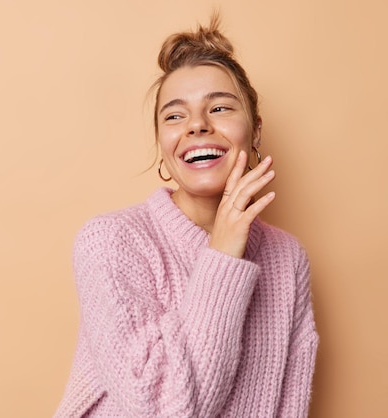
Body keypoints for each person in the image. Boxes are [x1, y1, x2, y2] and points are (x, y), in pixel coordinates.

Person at [54, 13, 318, 418]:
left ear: (256, 130)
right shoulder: (109, 242)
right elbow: (159, 409)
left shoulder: (287, 258)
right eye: (174, 116)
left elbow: (289, 407)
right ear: (163, 145)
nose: (196, 125)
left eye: (220, 108)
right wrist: (224, 255)